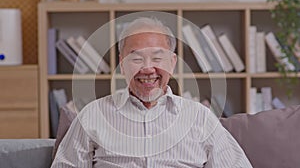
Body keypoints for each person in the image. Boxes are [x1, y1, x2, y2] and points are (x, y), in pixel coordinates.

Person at [51, 17, 252, 168]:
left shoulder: (200, 117)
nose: (147, 69)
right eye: (136, 59)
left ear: (172, 64)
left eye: (157, 58)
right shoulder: (93, 115)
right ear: (122, 65)